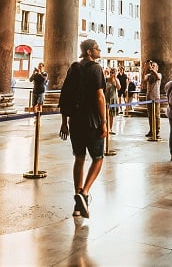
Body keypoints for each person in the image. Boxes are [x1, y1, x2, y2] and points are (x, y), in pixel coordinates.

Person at [59, 39, 107, 218]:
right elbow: (100, 97)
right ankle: (84, 193)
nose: (99, 50)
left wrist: (64, 121)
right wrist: (104, 122)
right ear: (89, 52)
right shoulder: (96, 68)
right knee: (98, 158)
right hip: (92, 121)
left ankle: (77, 206)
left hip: (75, 121)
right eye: (97, 48)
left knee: (79, 158)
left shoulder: (74, 67)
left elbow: (65, 95)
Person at [144, 60, 162, 141]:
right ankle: (151, 130)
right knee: (150, 115)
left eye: (154, 66)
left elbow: (157, 77)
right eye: (152, 65)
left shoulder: (159, 74)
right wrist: (145, 68)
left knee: (156, 115)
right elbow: (144, 79)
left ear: (157, 68)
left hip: (156, 97)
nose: (152, 67)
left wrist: (151, 69)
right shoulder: (148, 75)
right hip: (149, 97)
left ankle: (157, 130)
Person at [104, 67, 121, 133]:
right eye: (111, 72)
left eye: (113, 72)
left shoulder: (116, 80)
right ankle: (105, 128)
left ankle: (110, 129)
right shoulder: (106, 79)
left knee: (111, 115)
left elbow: (119, 88)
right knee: (105, 114)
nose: (111, 73)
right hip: (106, 98)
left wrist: (115, 79)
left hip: (113, 99)